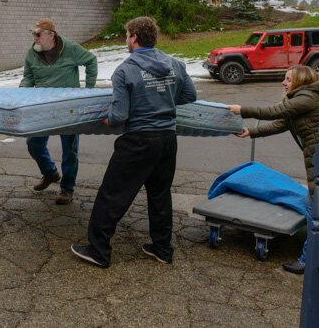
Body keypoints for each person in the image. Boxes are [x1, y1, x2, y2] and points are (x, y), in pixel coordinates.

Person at [70, 16, 196, 267]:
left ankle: (98, 251)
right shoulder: (175, 64)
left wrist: (107, 119)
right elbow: (189, 95)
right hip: (167, 140)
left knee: (113, 195)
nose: (126, 39)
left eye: (127, 35)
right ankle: (162, 249)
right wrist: (163, 101)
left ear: (135, 38)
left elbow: (119, 116)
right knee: (160, 195)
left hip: (139, 140)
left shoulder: (125, 70)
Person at [227, 65, 319, 274]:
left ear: (300, 81)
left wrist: (242, 110)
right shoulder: (303, 99)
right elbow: (281, 123)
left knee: (316, 205)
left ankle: (310, 259)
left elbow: (274, 112)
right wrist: (252, 131)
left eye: (287, 79)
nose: (283, 83)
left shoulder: (307, 99)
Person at [20, 17, 98, 205]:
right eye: (33, 34)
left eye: (38, 34)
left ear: (51, 35)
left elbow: (91, 60)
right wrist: (21, 94)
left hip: (68, 107)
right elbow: (28, 78)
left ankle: (67, 189)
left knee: (69, 149)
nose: (35, 38)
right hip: (43, 106)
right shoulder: (32, 54)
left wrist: (88, 90)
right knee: (34, 144)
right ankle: (50, 173)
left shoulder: (69, 49)